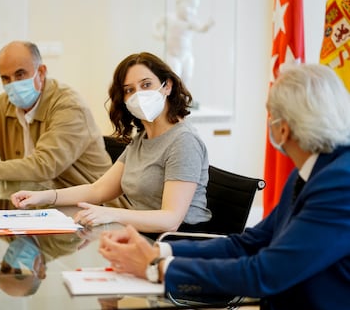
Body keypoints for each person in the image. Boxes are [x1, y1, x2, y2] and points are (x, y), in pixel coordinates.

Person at [98, 63, 350, 309]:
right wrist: (158, 250)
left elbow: (264, 273)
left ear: (282, 128)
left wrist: (157, 268)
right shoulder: (309, 172)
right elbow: (247, 243)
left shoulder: (339, 185)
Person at [11, 52, 211, 235]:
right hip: (142, 236)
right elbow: (97, 191)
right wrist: (43, 197)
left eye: (146, 85)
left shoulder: (184, 141)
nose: (138, 95)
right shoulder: (142, 139)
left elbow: (171, 219)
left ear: (167, 86)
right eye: (129, 90)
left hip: (179, 243)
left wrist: (113, 214)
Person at [0, 40, 113, 190]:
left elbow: (43, 165)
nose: (13, 84)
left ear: (41, 72)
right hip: (33, 209)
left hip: (91, 211)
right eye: (5, 78)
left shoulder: (69, 106)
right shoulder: (1, 105)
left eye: (20, 74)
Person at [0, 234, 84, 296]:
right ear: (40, 273)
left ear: (1, 263)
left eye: (5, 268)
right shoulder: (63, 243)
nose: (13, 263)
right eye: (20, 272)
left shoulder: (2, 233)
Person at [154, 0, 213, 88]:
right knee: (174, 75)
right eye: (189, 6)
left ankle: (183, 96)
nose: (192, 11)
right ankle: (174, 96)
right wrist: (159, 34)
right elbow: (156, 24)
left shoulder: (190, 21)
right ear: (179, 3)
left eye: (194, 8)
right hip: (172, 55)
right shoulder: (170, 17)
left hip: (186, 55)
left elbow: (201, 28)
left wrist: (207, 26)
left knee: (187, 76)